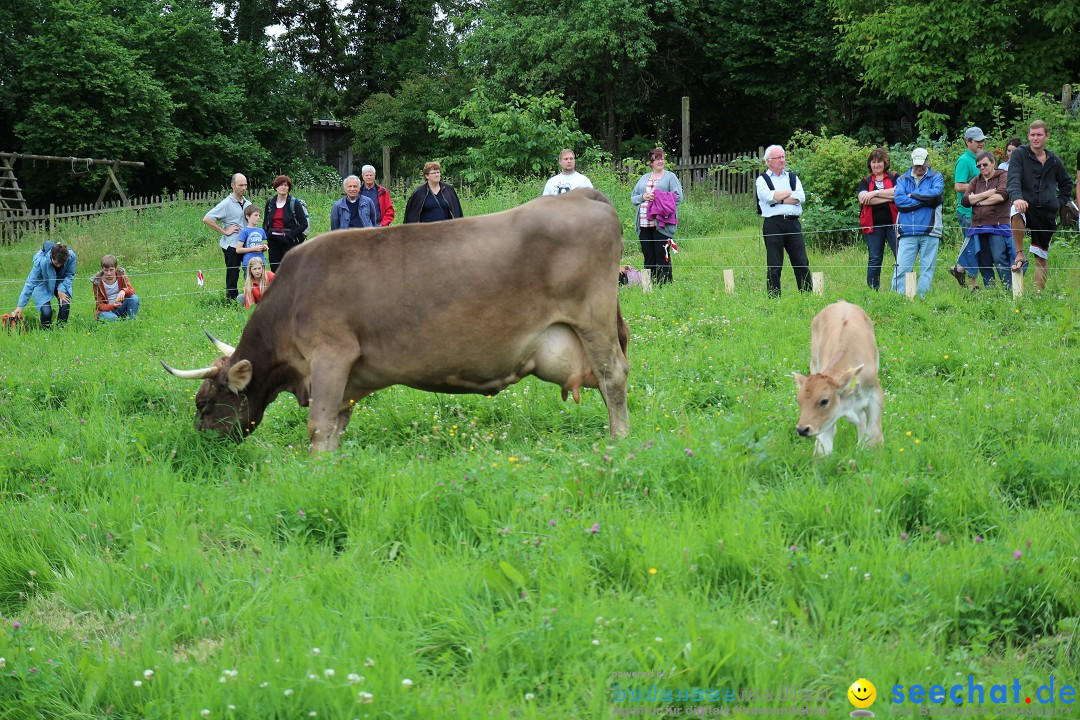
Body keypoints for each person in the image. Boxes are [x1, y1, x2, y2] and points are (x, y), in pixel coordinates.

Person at [1006, 119, 1074, 291]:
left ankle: (1039, 296)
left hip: (1047, 212)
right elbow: (1013, 178)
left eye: (1039, 135)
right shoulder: (1020, 154)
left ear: (1046, 136)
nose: (1035, 138)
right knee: (1015, 210)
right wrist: (1017, 198)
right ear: (1028, 136)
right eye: (1032, 135)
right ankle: (1020, 253)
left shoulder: (1053, 160)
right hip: (1026, 206)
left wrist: (1059, 203)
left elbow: (1067, 183)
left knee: (1041, 257)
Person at [755, 144, 808, 296]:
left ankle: (807, 295)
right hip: (773, 224)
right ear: (768, 161)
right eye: (777, 157)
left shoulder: (792, 177)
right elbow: (768, 197)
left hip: (793, 223)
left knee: (801, 261)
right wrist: (789, 194)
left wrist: (779, 199)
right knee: (774, 263)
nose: (782, 160)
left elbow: (801, 198)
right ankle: (774, 296)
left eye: (783, 156)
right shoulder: (762, 180)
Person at [961, 151, 1017, 289]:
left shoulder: (1003, 176)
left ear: (993, 163)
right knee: (983, 260)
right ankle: (990, 290)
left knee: (999, 258)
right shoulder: (976, 180)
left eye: (985, 164)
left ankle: (1008, 288)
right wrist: (986, 194)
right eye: (978, 166)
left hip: (997, 225)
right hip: (978, 226)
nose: (982, 168)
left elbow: (1001, 196)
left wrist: (977, 201)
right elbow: (965, 200)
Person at [893, 148, 944, 297]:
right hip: (907, 231)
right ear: (911, 162)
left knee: (927, 269)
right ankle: (897, 297)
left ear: (928, 161)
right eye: (916, 164)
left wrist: (913, 195)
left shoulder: (936, 176)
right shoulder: (902, 179)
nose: (919, 167)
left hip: (930, 229)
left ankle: (923, 298)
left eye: (922, 164)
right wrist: (925, 201)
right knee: (901, 267)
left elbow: (936, 193)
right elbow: (899, 201)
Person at [630, 148, 683, 285]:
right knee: (648, 255)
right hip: (643, 223)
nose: (660, 161)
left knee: (662, 254)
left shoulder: (670, 177)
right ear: (651, 162)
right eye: (657, 159)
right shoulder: (643, 178)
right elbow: (633, 198)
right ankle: (649, 285)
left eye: (662, 158)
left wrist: (659, 198)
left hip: (661, 223)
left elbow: (678, 197)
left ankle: (665, 285)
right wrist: (644, 196)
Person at [203, 173, 252, 300]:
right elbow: (207, 218)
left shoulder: (248, 203)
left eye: (245, 185)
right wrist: (224, 231)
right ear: (232, 185)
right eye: (240, 185)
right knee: (233, 273)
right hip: (232, 245)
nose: (243, 188)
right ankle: (231, 301)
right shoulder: (226, 203)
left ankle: (251, 298)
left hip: (246, 245)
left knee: (250, 272)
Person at [948, 127, 986, 290]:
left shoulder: (980, 159)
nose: (981, 143)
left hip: (980, 211)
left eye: (982, 140)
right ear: (968, 142)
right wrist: (981, 190)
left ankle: (960, 269)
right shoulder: (964, 160)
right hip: (968, 211)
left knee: (976, 246)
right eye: (977, 141)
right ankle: (972, 284)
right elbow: (958, 186)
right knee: (972, 247)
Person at [857, 148, 899, 290]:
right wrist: (889, 198)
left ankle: (902, 287)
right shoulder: (865, 181)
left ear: (885, 163)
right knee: (875, 258)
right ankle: (873, 290)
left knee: (900, 256)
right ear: (870, 164)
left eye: (879, 162)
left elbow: (900, 194)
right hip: (873, 226)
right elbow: (864, 199)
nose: (876, 165)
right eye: (873, 162)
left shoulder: (895, 177)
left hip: (895, 225)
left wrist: (875, 193)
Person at [11, 241, 76, 328]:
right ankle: (46, 331)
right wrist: (20, 306)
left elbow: (69, 275)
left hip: (61, 282)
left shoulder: (71, 257)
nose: (59, 265)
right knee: (46, 312)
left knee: (65, 305)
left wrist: (61, 289)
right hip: (43, 283)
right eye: (56, 263)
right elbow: (30, 282)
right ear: (51, 257)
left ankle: (61, 329)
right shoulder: (41, 261)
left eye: (61, 264)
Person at [262, 174, 309, 273]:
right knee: (275, 271)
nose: (283, 187)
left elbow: (304, 224)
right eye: (280, 185)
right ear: (276, 187)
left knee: (290, 271)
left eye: (286, 185)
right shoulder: (270, 203)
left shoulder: (294, 203)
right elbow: (266, 222)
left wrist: (291, 235)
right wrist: (267, 234)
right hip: (273, 242)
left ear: (289, 188)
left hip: (290, 242)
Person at [91, 255, 139, 321]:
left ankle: (131, 322)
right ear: (102, 269)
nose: (109, 273)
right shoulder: (97, 282)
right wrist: (112, 306)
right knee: (113, 318)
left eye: (111, 270)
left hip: (121, 307)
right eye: (106, 270)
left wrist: (124, 291)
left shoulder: (121, 276)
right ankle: (116, 321)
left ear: (116, 268)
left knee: (134, 298)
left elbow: (132, 291)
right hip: (106, 311)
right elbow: (100, 305)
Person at [235, 205, 268, 271]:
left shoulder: (261, 231)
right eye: (255, 215)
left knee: (262, 281)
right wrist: (254, 249)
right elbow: (238, 250)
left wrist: (264, 247)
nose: (258, 217)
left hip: (261, 262)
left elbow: (264, 244)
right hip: (249, 263)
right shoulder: (244, 232)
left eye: (259, 215)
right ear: (247, 216)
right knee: (250, 281)